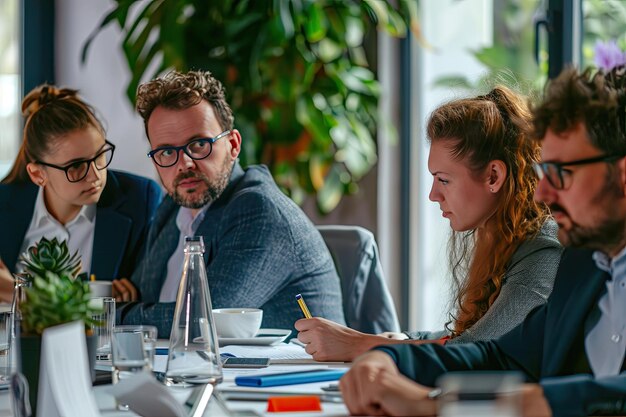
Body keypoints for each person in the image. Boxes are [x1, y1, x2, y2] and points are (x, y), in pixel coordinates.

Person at [339, 66, 626, 417]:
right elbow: (501, 356)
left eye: (560, 174)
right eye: (542, 173)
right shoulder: (583, 268)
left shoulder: (552, 251)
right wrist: (390, 359)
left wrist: (435, 404)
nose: (543, 192)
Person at [295, 86, 563, 362]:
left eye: (444, 180)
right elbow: (465, 339)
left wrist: (358, 344)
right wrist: (402, 340)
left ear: (493, 176)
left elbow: (475, 351)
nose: (433, 195)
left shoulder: (543, 249)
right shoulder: (499, 237)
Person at [117, 70, 345, 338]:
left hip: (283, 376)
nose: (184, 164)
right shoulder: (172, 208)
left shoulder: (258, 210)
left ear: (233, 145)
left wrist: (108, 313)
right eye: (167, 151)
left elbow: (202, 320)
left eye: (199, 144)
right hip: (184, 371)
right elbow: (142, 296)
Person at [0, 85, 162, 302]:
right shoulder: (4, 205)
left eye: (99, 156)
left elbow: (148, 293)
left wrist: (16, 292)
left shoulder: (140, 199)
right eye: (76, 166)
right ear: (38, 174)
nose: (95, 175)